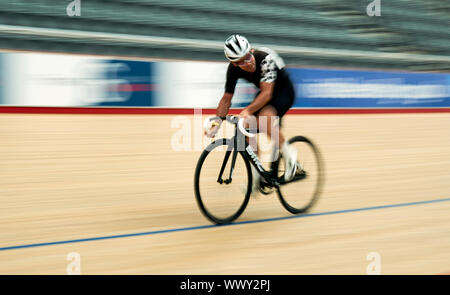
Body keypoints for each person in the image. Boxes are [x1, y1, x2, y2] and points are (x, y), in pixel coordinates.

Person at [205, 34, 298, 194]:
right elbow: (227, 98)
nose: (247, 63)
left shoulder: (264, 59)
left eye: (248, 56)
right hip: (265, 92)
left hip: (283, 91)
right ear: (233, 63)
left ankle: (291, 155)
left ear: (251, 50)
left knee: (264, 119)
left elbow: (267, 94)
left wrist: (247, 110)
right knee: (245, 127)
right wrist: (216, 123)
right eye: (241, 61)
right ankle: (257, 176)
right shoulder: (233, 70)